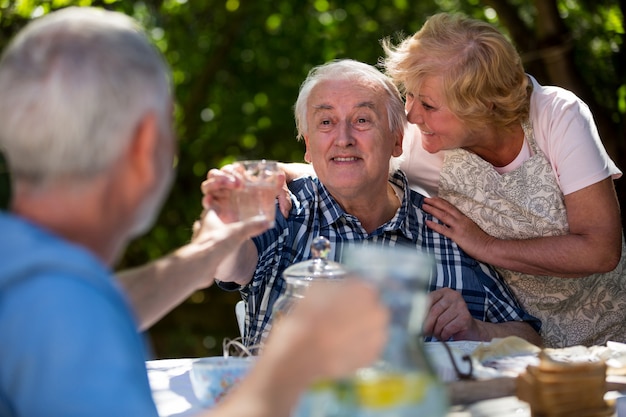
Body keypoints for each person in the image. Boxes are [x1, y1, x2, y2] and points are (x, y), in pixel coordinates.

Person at [0, 7, 389, 417]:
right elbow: (80, 310)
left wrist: (207, 250)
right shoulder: (66, 305)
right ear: (146, 142)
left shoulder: (33, 272)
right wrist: (292, 368)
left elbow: (99, 302)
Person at [203, 59, 542, 349]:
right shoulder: (286, 210)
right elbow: (227, 265)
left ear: (397, 141)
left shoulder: (444, 228)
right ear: (308, 146)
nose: (343, 138)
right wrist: (225, 220)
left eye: (362, 120)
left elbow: (531, 340)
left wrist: (476, 330)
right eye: (325, 122)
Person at [381, 12, 626, 348]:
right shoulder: (421, 142)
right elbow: (348, 166)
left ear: (484, 106)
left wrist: (486, 245)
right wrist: (284, 174)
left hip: (614, 338)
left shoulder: (556, 114)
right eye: (409, 95)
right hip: (516, 346)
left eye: (428, 104)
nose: (411, 114)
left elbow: (600, 250)